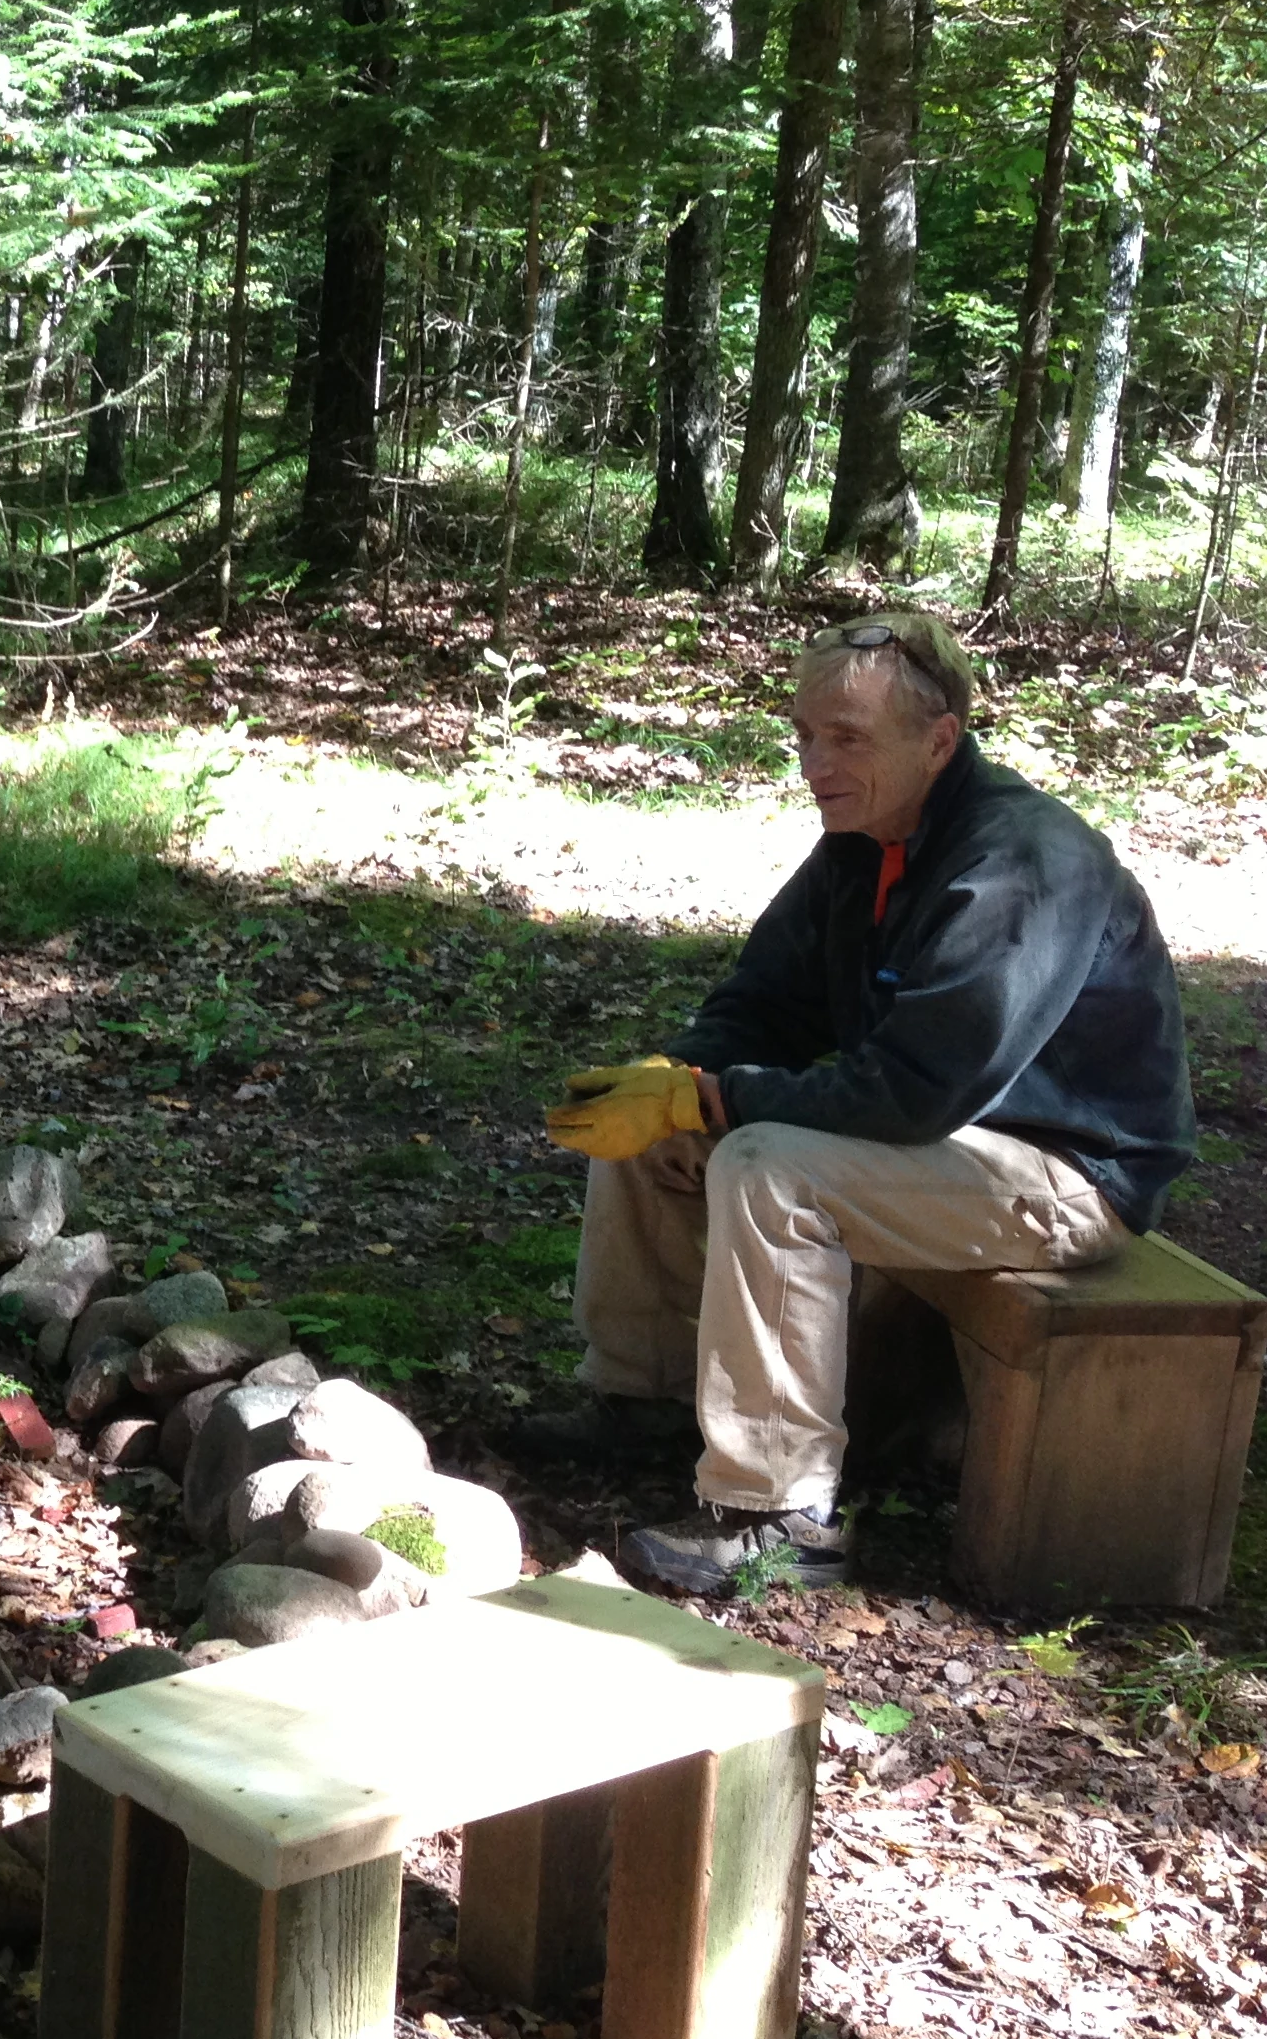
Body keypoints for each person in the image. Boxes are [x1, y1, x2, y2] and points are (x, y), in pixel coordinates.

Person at [511, 611, 1195, 1594]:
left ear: (939, 741)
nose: (814, 764)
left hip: (1071, 1172)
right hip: (947, 1142)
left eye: (847, 738)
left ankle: (781, 1514)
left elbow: (914, 1091)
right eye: (805, 736)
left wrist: (713, 1101)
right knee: (656, 1121)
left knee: (760, 1160)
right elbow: (764, 1003)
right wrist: (675, 1077)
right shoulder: (866, 837)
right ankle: (645, 1396)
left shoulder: (1020, 861)